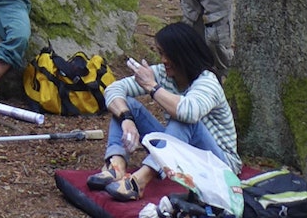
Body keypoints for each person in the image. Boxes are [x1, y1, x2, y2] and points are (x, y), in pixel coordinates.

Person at [86, 22, 240, 202]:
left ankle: (140, 181)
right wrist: (126, 118)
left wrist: (151, 86)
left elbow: (188, 113)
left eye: (168, 55)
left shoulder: (207, 82)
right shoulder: (163, 73)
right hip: (183, 153)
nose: (164, 60)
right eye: (161, 54)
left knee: (182, 120)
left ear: (184, 55)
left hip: (219, 164)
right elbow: (113, 90)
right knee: (126, 105)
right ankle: (116, 165)